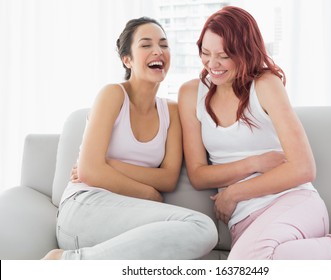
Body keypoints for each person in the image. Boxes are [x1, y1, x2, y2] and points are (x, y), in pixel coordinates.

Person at [178, 6, 331, 260]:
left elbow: (303, 169)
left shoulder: (266, 85)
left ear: (245, 52)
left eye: (223, 56)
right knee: (272, 259)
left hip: (293, 203)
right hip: (245, 222)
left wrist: (234, 192)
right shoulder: (191, 93)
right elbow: (199, 175)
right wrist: (255, 163)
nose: (212, 65)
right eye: (205, 53)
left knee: (244, 264)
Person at [43, 17, 217, 260]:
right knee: (201, 226)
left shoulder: (172, 111)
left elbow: (167, 179)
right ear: (127, 59)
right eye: (146, 45)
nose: (158, 50)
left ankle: (71, 262)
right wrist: (148, 194)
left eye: (164, 45)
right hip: (85, 206)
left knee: (204, 230)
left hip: (129, 219)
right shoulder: (113, 95)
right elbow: (90, 174)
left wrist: (110, 165)